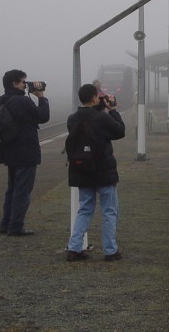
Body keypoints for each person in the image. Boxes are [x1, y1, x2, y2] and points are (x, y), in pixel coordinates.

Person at [66, 83, 125, 262]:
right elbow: (119, 131)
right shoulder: (102, 118)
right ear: (94, 97)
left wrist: (101, 107)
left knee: (84, 210)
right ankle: (110, 250)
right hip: (103, 171)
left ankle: (74, 248)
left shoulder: (72, 119)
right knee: (108, 211)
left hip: (81, 170)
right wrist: (112, 109)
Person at [0, 69, 50, 236]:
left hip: (10, 151)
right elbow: (43, 116)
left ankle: (6, 224)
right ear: (14, 83)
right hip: (25, 152)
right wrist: (41, 97)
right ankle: (16, 226)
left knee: (12, 189)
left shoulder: (2, 100)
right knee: (22, 191)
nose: (24, 85)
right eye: (22, 82)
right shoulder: (22, 101)